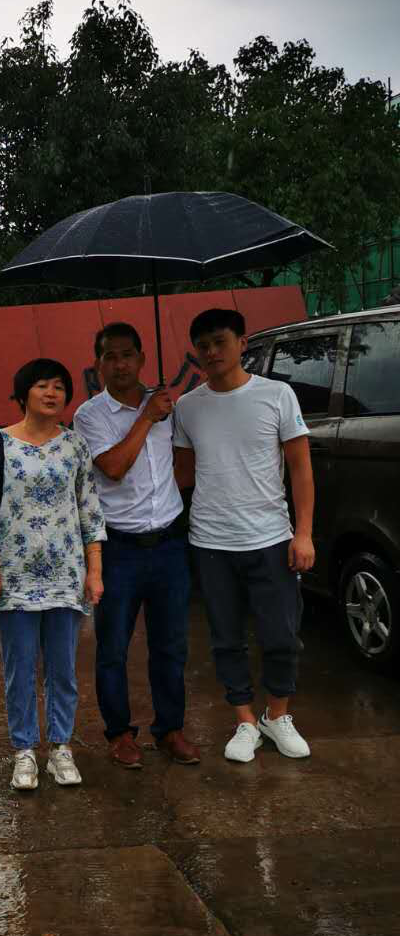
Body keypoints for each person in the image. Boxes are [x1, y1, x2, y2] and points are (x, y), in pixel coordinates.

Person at [172, 307, 315, 763]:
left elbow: (301, 468)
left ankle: (278, 715)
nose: (212, 352)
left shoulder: (277, 395)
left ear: (242, 343)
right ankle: (245, 720)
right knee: (225, 637)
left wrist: (304, 534)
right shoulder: (187, 407)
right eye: (203, 346)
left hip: (271, 538)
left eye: (220, 342)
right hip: (211, 541)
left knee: (282, 635)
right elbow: (182, 475)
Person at [0, 357, 106, 791]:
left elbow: (90, 513)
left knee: (63, 670)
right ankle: (25, 751)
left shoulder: (75, 446)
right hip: (14, 581)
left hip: (66, 577)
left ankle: (61, 748)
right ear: (23, 392)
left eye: (60, 387)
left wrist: (95, 571)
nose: (52, 393)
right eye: (43, 385)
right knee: (20, 669)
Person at [73, 323, 200, 768]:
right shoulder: (90, 416)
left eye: (127, 354)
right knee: (113, 648)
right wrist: (146, 417)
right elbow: (112, 466)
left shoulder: (168, 406)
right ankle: (120, 734)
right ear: (98, 364)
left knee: (171, 644)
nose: (120, 364)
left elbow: (185, 461)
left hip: (169, 544)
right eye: (110, 356)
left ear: (142, 358)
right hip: (119, 549)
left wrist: (158, 413)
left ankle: (171, 729)